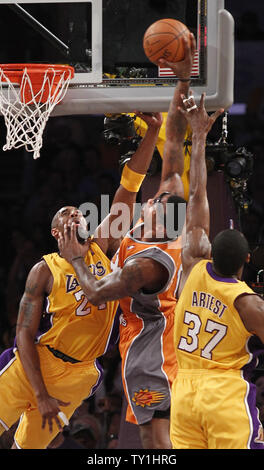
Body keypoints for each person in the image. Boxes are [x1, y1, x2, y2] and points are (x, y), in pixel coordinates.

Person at [58, 33, 197, 449]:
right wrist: (180, 79)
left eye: (154, 204)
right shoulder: (147, 225)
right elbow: (165, 152)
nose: (149, 200)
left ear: (164, 221)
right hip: (144, 350)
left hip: (153, 357)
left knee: (157, 443)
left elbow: (99, 292)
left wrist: (76, 258)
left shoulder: (149, 263)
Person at [0, 111, 163, 450]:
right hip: (37, 364)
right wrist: (40, 393)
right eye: (67, 214)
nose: (76, 214)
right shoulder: (45, 269)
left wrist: (153, 132)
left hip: (80, 375)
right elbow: (22, 334)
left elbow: (129, 186)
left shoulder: (101, 249)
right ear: (56, 232)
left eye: (79, 211)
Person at [169, 92, 264, 449]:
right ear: (245, 262)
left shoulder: (193, 264)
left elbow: (197, 196)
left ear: (210, 253)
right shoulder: (248, 303)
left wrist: (199, 135)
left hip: (184, 393)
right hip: (223, 395)